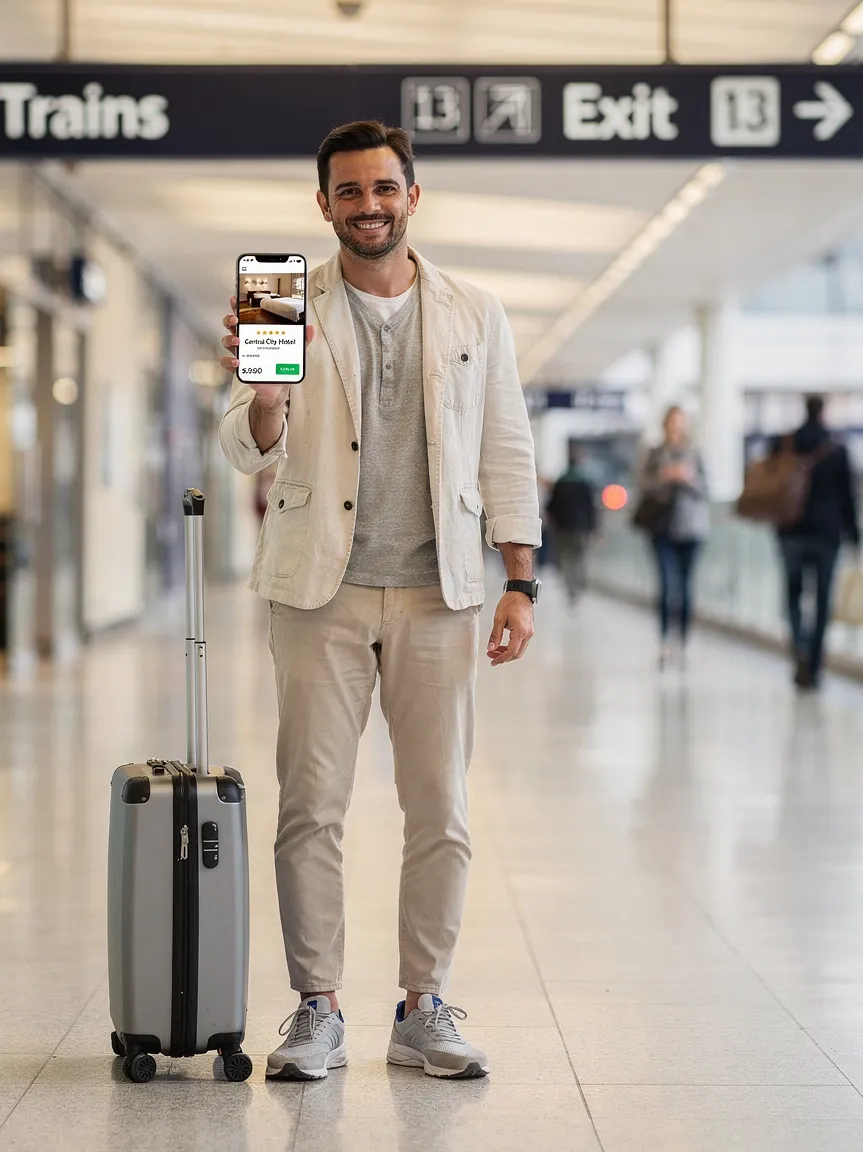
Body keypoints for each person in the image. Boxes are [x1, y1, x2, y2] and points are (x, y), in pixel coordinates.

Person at [219, 120, 540, 1082]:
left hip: (441, 592)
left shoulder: (475, 312)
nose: (369, 206)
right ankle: (316, 1009)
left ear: (413, 195)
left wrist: (520, 579)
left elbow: (507, 446)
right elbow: (243, 449)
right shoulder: (288, 303)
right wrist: (264, 393)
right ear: (324, 205)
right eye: (350, 192)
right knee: (311, 806)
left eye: (384, 188)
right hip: (319, 592)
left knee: (441, 807)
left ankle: (422, 1005)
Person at [775, 394, 862, 690]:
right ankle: (814, 661)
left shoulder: (785, 444)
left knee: (794, 594)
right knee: (822, 599)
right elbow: (849, 498)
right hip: (827, 534)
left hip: (790, 531)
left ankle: (799, 647)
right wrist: (855, 536)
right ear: (823, 412)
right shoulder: (837, 449)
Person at [637, 406, 709, 668]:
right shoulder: (655, 453)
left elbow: (706, 489)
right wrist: (664, 477)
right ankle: (665, 640)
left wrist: (687, 478)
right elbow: (642, 483)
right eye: (672, 422)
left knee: (686, 586)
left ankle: (683, 642)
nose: (677, 427)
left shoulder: (695, 453)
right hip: (662, 528)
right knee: (667, 585)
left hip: (692, 529)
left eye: (681, 422)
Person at [544, 447, 599, 604]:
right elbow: (591, 508)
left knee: (564, 557)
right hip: (581, 528)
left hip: (562, 528)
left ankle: (569, 586)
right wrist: (594, 528)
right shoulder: (585, 482)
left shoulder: (561, 482)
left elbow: (551, 506)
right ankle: (577, 587)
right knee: (579, 557)